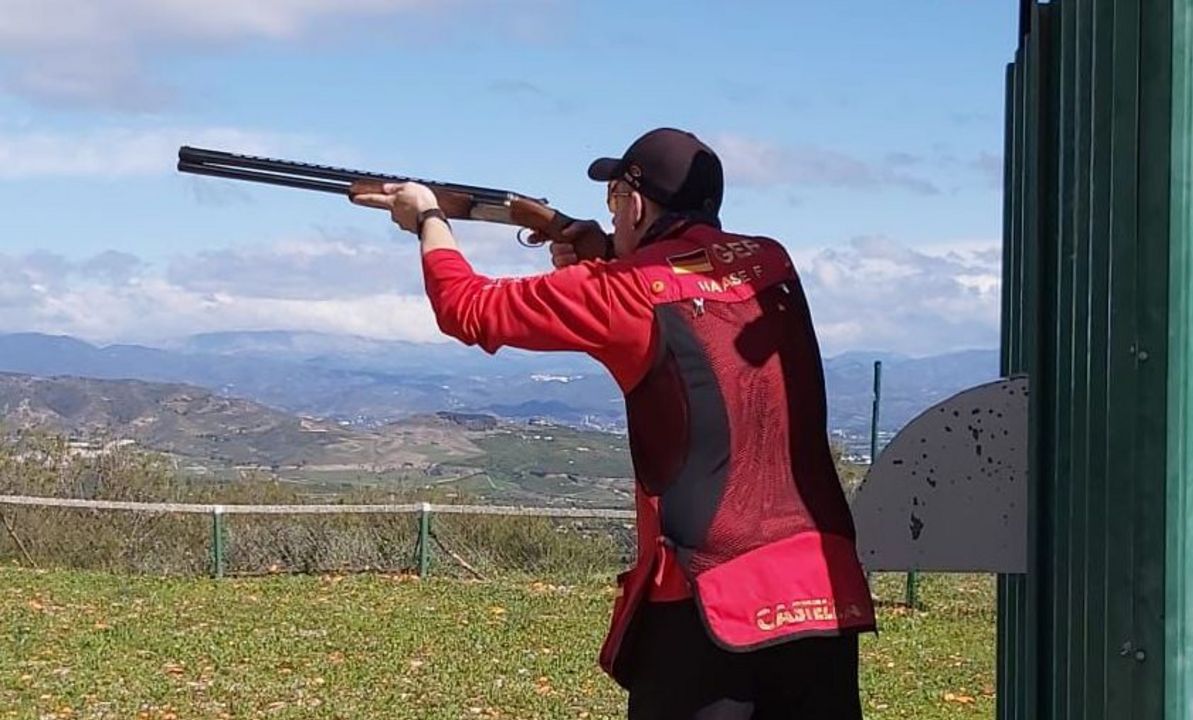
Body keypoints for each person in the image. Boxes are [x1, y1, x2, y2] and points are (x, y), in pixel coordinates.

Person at [352, 128, 876, 719]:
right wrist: (602, 249)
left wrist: (427, 218)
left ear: (633, 203)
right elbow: (700, 284)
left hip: (704, 597)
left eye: (612, 202)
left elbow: (466, 308)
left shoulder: (624, 292)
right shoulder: (772, 262)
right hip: (822, 587)